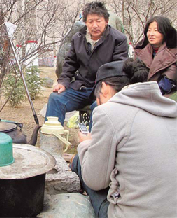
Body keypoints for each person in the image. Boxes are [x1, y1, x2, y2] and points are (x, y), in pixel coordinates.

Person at [72, 58, 177, 217]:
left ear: (105, 88)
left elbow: (95, 181)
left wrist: (86, 144)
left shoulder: (109, 112)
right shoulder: (169, 109)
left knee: (80, 161)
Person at [46, 1, 128, 126]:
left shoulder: (118, 39)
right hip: (81, 87)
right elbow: (70, 63)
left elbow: (119, 68)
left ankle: (91, 143)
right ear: (85, 22)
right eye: (90, 21)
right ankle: (52, 139)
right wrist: (63, 82)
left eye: (98, 21)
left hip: (104, 87)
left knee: (99, 106)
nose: (94, 25)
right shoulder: (78, 38)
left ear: (106, 21)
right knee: (56, 98)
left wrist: (108, 87)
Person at [135, 16, 177, 96]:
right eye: (149, 30)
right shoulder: (140, 51)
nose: (151, 34)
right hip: (140, 95)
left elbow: (168, 80)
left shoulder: (173, 53)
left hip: (165, 96)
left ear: (165, 33)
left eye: (156, 30)